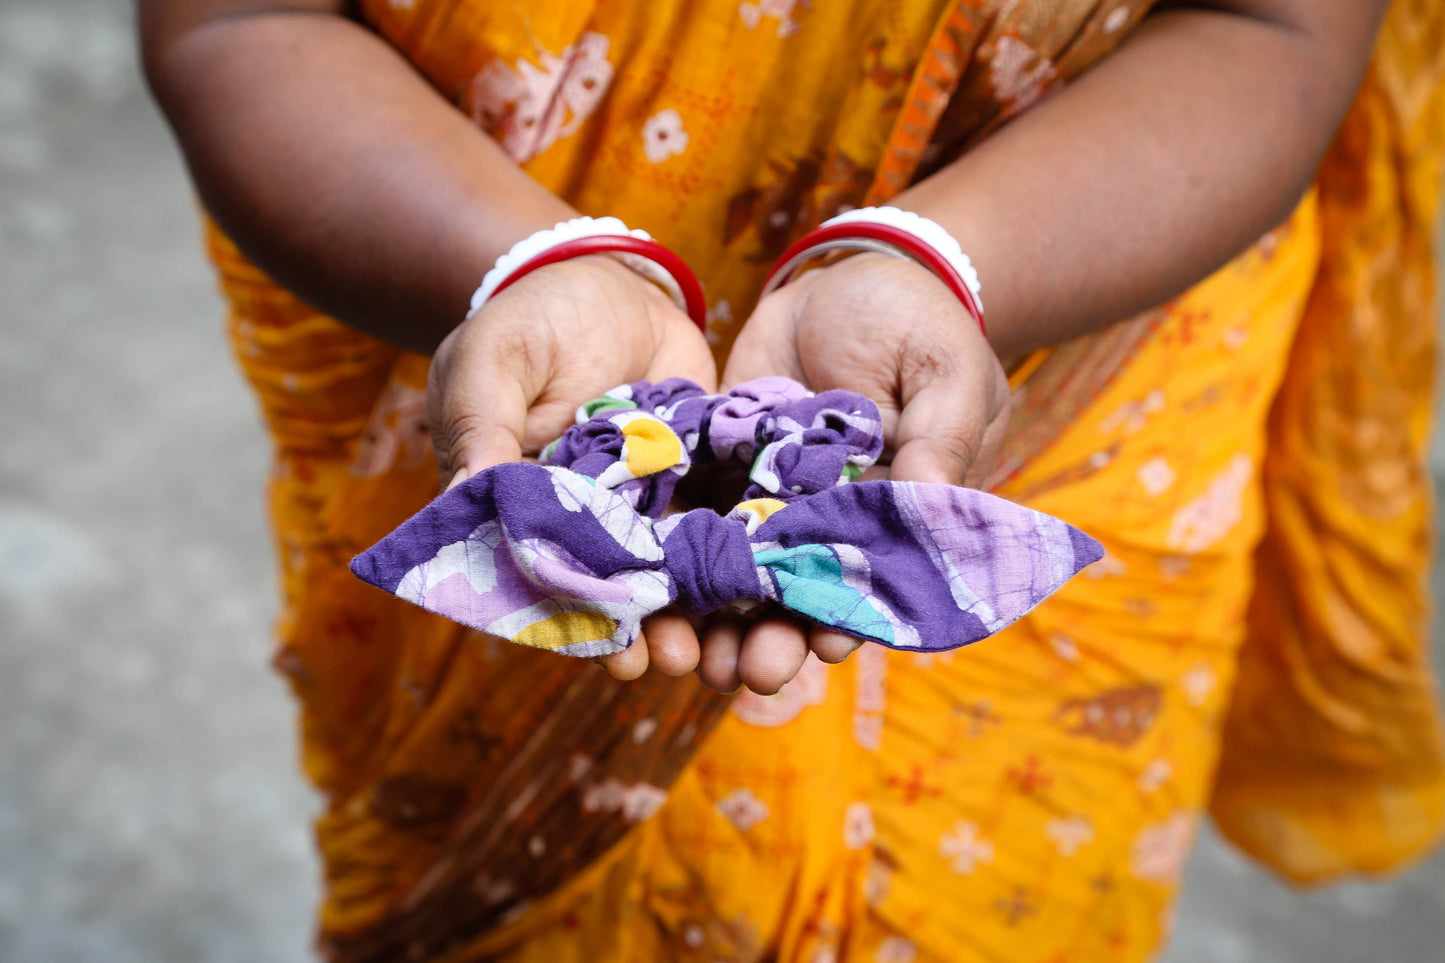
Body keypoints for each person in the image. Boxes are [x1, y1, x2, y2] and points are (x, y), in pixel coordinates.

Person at [139, 1, 1445, 960]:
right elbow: (236, 22)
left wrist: (938, 260)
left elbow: (1274, 27)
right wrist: (516, 270)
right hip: (481, 310)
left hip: (1071, 363)